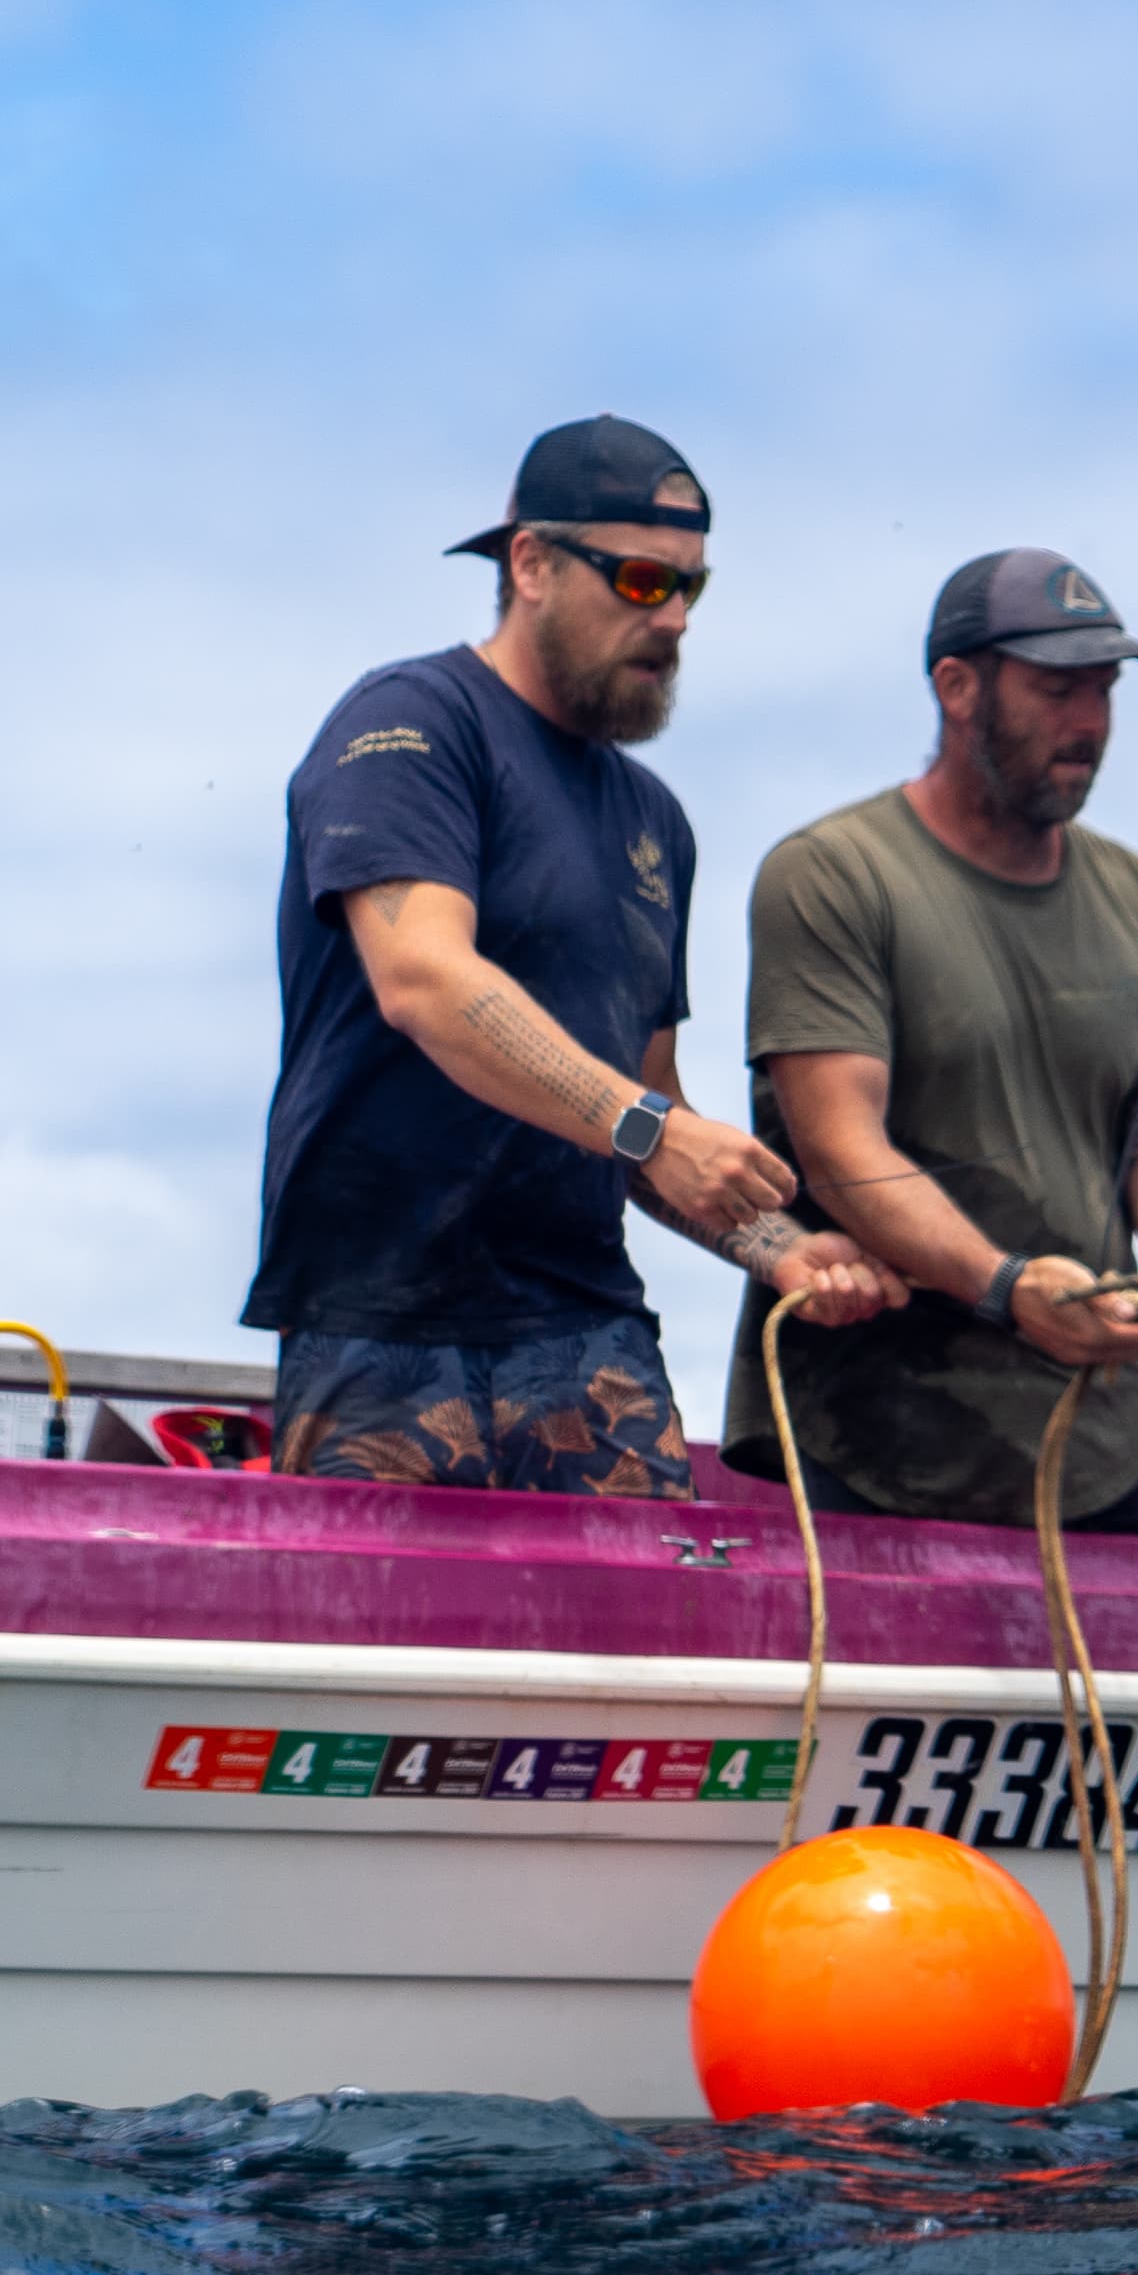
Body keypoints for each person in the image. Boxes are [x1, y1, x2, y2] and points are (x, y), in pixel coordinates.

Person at [245, 415, 897, 1496]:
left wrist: (777, 1246)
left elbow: (651, 1113)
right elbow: (426, 983)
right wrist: (651, 1127)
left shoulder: (655, 822)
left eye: (694, 587)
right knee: (386, 1663)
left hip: (587, 1334)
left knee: (641, 1661)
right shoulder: (412, 724)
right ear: (532, 563)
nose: (677, 619)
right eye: (644, 581)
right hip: (381, 1322)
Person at [719, 547, 1138, 1531]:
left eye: (1106, 690)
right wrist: (1007, 1289)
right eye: (1056, 689)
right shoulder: (834, 875)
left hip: (1101, 1445)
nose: (1089, 723)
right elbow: (840, 1152)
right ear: (956, 686)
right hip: (879, 1447)